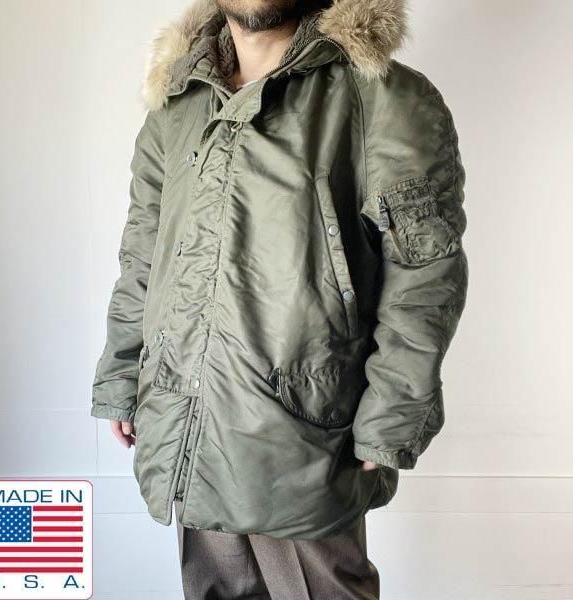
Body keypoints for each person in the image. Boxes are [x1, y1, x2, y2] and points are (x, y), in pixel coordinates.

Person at [91, 0, 468, 597]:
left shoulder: (382, 97)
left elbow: (424, 272)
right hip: (187, 416)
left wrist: (394, 409)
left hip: (305, 435)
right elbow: (144, 251)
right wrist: (121, 372)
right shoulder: (178, 102)